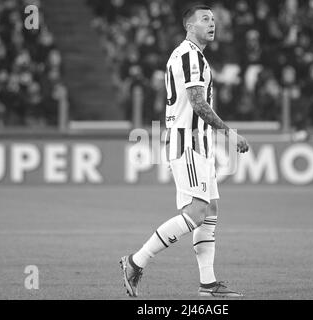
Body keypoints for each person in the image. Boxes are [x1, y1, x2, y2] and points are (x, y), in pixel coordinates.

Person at [120, 4, 249, 298]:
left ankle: (208, 284)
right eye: (205, 19)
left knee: (210, 210)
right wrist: (229, 134)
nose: (212, 23)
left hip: (197, 141)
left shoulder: (192, 54)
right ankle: (135, 262)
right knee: (196, 211)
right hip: (187, 140)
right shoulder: (190, 54)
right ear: (190, 26)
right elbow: (197, 103)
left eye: (214, 19)